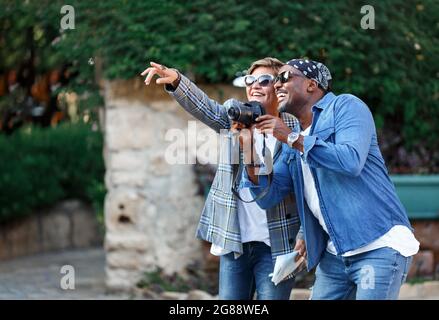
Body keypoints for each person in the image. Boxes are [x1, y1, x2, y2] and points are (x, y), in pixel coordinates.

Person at [241, 58, 419, 300]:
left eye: (284, 78)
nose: (276, 86)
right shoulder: (292, 143)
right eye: (275, 81)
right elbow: (267, 196)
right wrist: (249, 147)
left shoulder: (346, 106)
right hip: (335, 255)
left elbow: (351, 160)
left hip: (378, 245)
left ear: (311, 84)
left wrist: (291, 137)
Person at [141, 58, 302, 300]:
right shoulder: (236, 115)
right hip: (235, 240)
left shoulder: (292, 127)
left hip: (277, 243)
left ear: (279, 87)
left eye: (264, 80)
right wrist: (177, 80)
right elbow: (206, 107)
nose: (255, 85)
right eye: (250, 80)